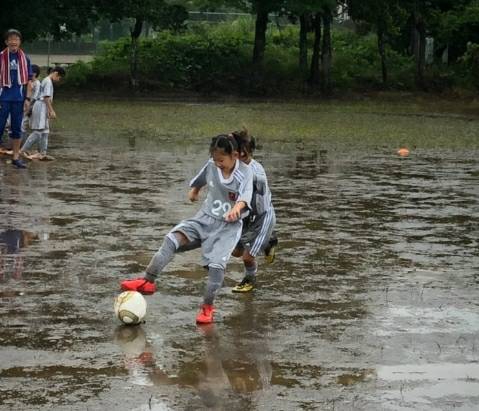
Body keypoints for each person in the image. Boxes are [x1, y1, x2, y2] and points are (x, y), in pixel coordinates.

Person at [120, 135, 254, 324]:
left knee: (216, 267)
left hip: (227, 228)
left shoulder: (246, 173)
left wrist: (237, 209)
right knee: (172, 239)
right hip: (204, 219)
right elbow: (201, 179)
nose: (218, 164)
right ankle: (147, 281)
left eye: (221, 161)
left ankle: (207, 307)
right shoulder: (211, 165)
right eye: (215, 160)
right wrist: (195, 190)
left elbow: (245, 196)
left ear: (234, 155)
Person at [229, 129, 278, 293]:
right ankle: (269, 242)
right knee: (235, 252)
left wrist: (249, 179)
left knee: (248, 256)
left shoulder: (257, 171)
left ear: (250, 152)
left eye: (245, 153)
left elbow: (261, 190)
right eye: (238, 153)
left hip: (262, 217)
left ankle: (249, 279)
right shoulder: (231, 167)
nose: (242, 156)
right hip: (244, 217)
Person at [0, 29, 32, 168]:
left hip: (18, 99)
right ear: (6, 42)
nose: (14, 42)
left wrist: (28, 99)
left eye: (16, 39)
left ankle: (16, 157)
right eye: (11, 39)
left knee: (16, 129)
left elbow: (29, 81)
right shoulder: (1, 57)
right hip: (3, 98)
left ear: (19, 42)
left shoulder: (25, 59)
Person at [21, 66, 65, 160]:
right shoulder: (48, 81)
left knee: (45, 131)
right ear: (56, 74)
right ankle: (22, 150)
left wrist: (48, 110)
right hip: (41, 106)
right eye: (59, 78)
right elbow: (46, 97)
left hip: (42, 106)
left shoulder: (46, 80)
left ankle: (42, 153)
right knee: (39, 131)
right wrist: (51, 110)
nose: (58, 80)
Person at [20, 64, 41, 138]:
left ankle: (21, 146)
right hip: (24, 105)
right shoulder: (28, 82)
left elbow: (35, 97)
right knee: (21, 124)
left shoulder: (37, 83)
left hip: (31, 106)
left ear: (34, 73)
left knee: (23, 125)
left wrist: (29, 108)